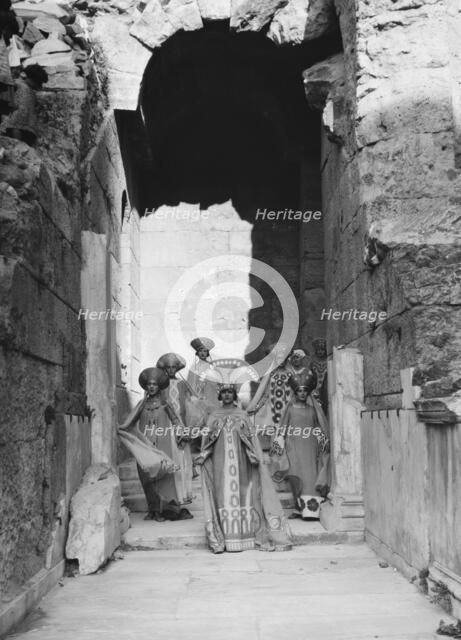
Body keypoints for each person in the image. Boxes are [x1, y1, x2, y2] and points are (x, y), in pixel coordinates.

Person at [196, 381, 292, 554]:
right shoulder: (213, 415)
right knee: (222, 494)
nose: (226, 395)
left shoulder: (242, 415)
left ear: (234, 396)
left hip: (241, 461)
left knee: (242, 495)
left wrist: (252, 451)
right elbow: (206, 439)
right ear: (220, 395)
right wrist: (204, 453)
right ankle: (223, 537)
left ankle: (244, 537)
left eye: (230, 392)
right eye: (224, 392)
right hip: (219, 461)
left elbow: (252, 439)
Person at [118, 367, 193, 522]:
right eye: (149, 384)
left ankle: (162, 510)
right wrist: (121, 429)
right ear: (146, 387)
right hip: (146, 448)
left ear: (159, 387)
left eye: (154, 384)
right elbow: (130, 422)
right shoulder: (141, 405)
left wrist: (181, 435)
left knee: (162, 479)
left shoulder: (166, 404)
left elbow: (176, 421)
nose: (151, 387)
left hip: (163, 447)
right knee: (145, 477)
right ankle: (152, 510)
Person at [270, 372, 330, 520]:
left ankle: (311, 512)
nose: (302, 394)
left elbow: (317, 429)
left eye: (304, 391)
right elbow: (282, 428)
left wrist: (324, 444)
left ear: (308, 393)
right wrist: (279, 448)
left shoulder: (312, 411)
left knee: (310, 478)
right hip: (293, 449)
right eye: (299, 391)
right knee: (296, 478)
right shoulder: (289, 409)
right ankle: (298, 509)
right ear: (295, 393)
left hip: (310, 449)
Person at [156, 352, 194, 503]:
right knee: (170, 457)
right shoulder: (160, 385)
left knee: (183, 458)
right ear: (165, 368)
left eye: (174, 367)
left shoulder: (182, 384)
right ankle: (170, 494)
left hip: (182, 423)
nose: (171, 370)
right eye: (168, 367)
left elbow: (190, 404)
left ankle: (183, 493)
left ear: (177, 368)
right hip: (166, 424)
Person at [246, 343, 293, 450]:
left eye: (283, 359)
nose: (280, 362)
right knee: (273, 433)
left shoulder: (291, 374)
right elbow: (265, 393)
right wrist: (256, 407)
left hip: (287, 407)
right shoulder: (270, 374)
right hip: (272, 408)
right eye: (278, 359)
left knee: (288, 434)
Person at [3, 63, 48, 145]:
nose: (39, 86)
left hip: (25, 128)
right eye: (38, 83)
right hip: (16, 128)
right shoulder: (19, 85)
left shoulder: (30, 91)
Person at [187, 337, 221, 415]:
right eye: (200, 351)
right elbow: (190, 387)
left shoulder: (213, 367)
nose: (202, 353)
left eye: (205, 351)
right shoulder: (193, 369)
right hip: (198, 400)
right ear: (197, 353)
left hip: (212, 398)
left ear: (207, 353)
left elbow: (218, 384)